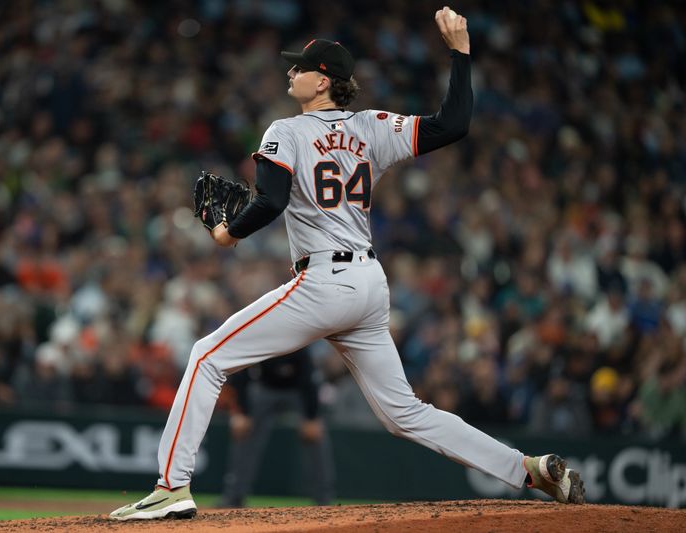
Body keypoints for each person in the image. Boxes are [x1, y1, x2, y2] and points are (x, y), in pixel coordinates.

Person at [110, 7, 585, 521]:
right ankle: (529, 470)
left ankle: (171, 487)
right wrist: (461, 53)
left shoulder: (285, 131)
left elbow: (268, 201)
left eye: (301, 67)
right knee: (405, 413)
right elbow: (454, 123)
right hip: (367, 284)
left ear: (325, 81)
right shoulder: (373, 126)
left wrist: (227, 233)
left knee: (206, 357)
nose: (291, 73)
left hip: (324, 282)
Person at [220, 347, 334, 507]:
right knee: (243, 433)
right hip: (265, 388)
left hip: (298, 390)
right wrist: (242, 412)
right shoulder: (259, 337)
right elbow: (242, 373)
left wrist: (311, 417)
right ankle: (234, 497)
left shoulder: (298, 342)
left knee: (316, 434)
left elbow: (309, 379)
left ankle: (323, 499)